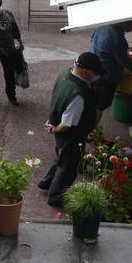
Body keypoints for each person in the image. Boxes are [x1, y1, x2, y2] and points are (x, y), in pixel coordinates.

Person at [38, 52, 104, 207]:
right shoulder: (78, 95)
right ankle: (56, 197)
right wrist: (55, 129)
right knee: (68, 166)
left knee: (60, 156)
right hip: (71, 135)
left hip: (60, 130)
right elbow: (68, 124)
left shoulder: (65, 75)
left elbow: (58, 100)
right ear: (86, 71)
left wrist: (52, 123)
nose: (96, 77)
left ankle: (46, 183)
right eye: (95, 73)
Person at [89, 21, 132, 125]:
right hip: (106, 76)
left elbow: (92, 41)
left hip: (95, 70)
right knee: (99, 107)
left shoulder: (101, 26)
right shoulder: (118, 38)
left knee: (94, 104)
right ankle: (91, 133)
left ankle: (90, 131)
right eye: (131, 22)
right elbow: (123, 62)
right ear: (122, 21)